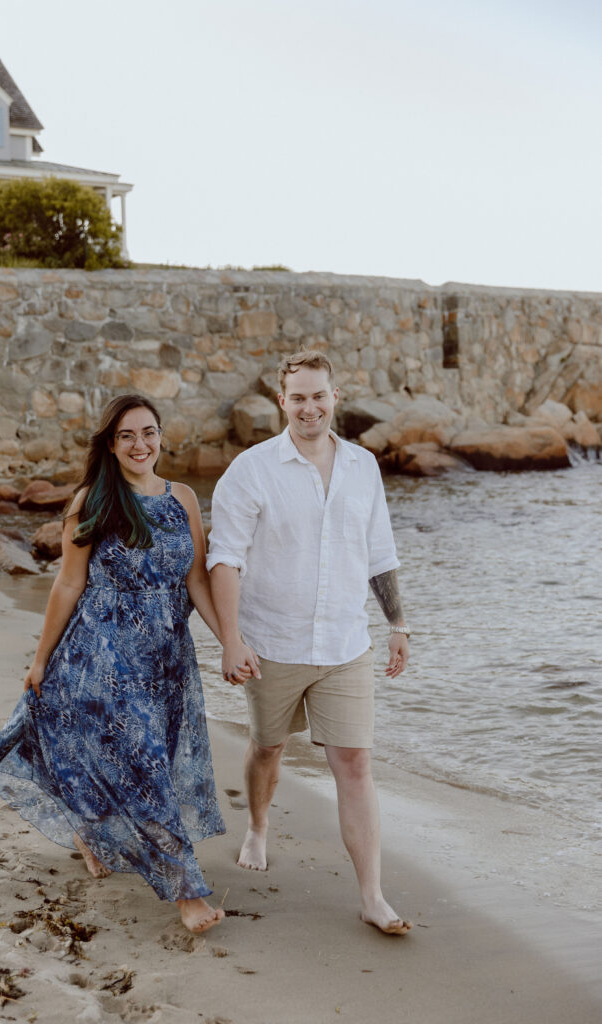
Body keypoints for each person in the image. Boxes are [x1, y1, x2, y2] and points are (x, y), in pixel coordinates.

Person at [0, 394, 249, 933]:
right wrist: (41, 659)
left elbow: (196, 579)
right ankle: (187, 894)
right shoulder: (92, 500)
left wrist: (231, 641)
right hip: (101, 655)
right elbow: (68, 583)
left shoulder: (182, 497)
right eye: (127, 436)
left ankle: (90, 832)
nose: (140, 445)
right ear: (110, 445)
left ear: (162, 437)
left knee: (144, 760)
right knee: (147, 770)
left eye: (148, 433)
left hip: (166, 661)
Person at [207, 350, 412, 936]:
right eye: (298, 397)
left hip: (347, 645)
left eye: (319, 395)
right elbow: (224, 559)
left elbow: (379, 554)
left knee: (354, 763)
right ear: (282, 402)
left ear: (335, 396)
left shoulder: (363, 467)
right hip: (271, 643)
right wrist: (231, 639)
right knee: (268, 748)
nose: (309, 407)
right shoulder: (251, 469)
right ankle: (258, 826)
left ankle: (372, 896)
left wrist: (397, 625)